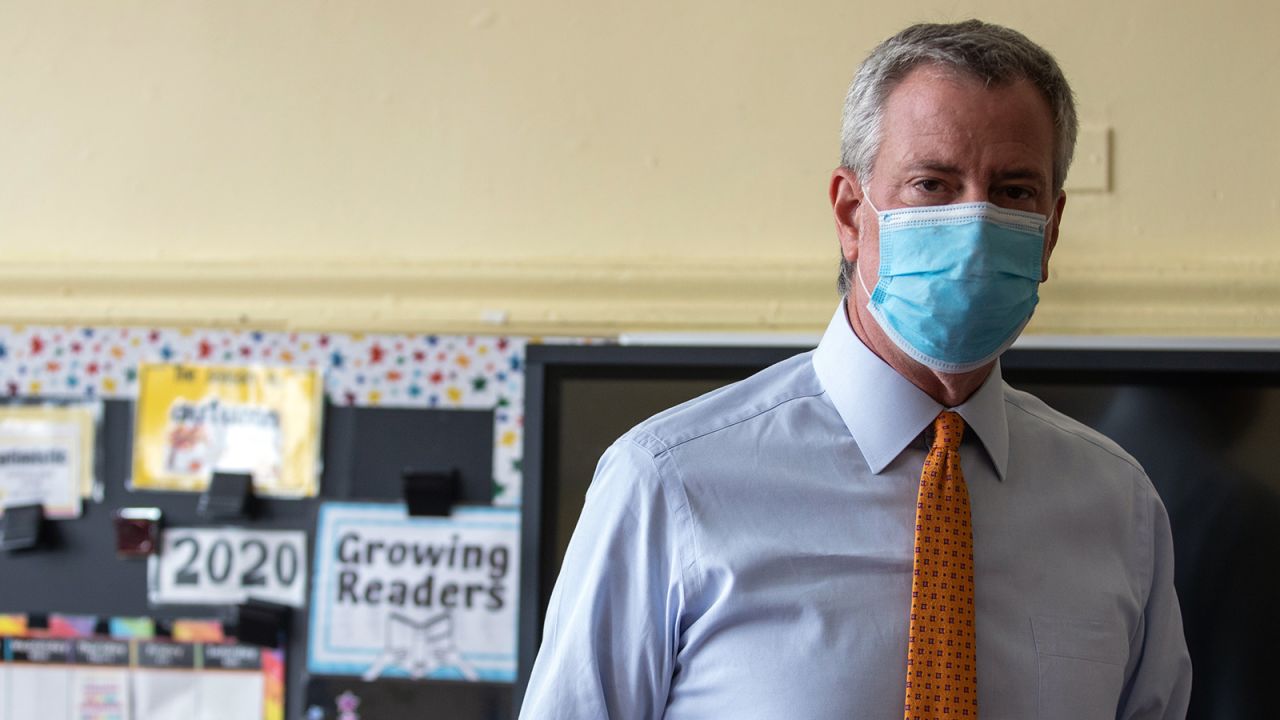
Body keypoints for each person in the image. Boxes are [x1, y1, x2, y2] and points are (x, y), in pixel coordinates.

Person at [520, 20, 1191, 719]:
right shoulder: (667, 486)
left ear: (1050, 230)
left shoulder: (1120, 507)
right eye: (932, 183)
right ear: (849, 212)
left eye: (1014, 191)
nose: (974, 223)